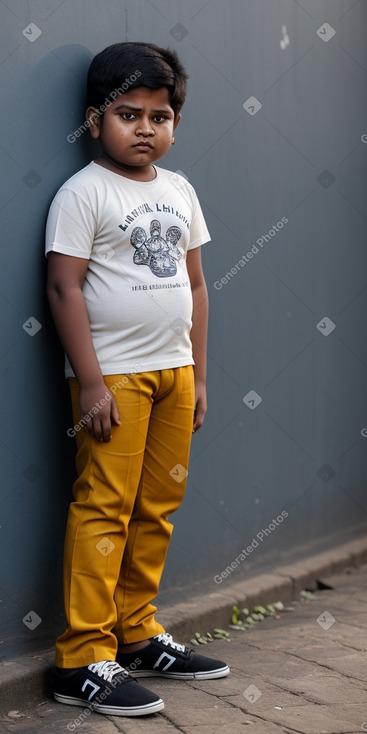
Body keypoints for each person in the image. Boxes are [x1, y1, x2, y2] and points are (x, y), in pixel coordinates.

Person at [45, 41, 229, 718]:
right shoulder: (83, 192)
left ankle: (137, 633)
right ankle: (81, 657)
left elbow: (197, 286)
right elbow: (64, 290)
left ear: (175, 123)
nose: (146, 128)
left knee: (156, 507)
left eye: (159, 115)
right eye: (128, 114)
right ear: (95, 121)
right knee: (104, 507)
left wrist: (199, 376)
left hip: (174, 376)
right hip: (114, 379)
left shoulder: (180, 190)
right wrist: (89, 384)